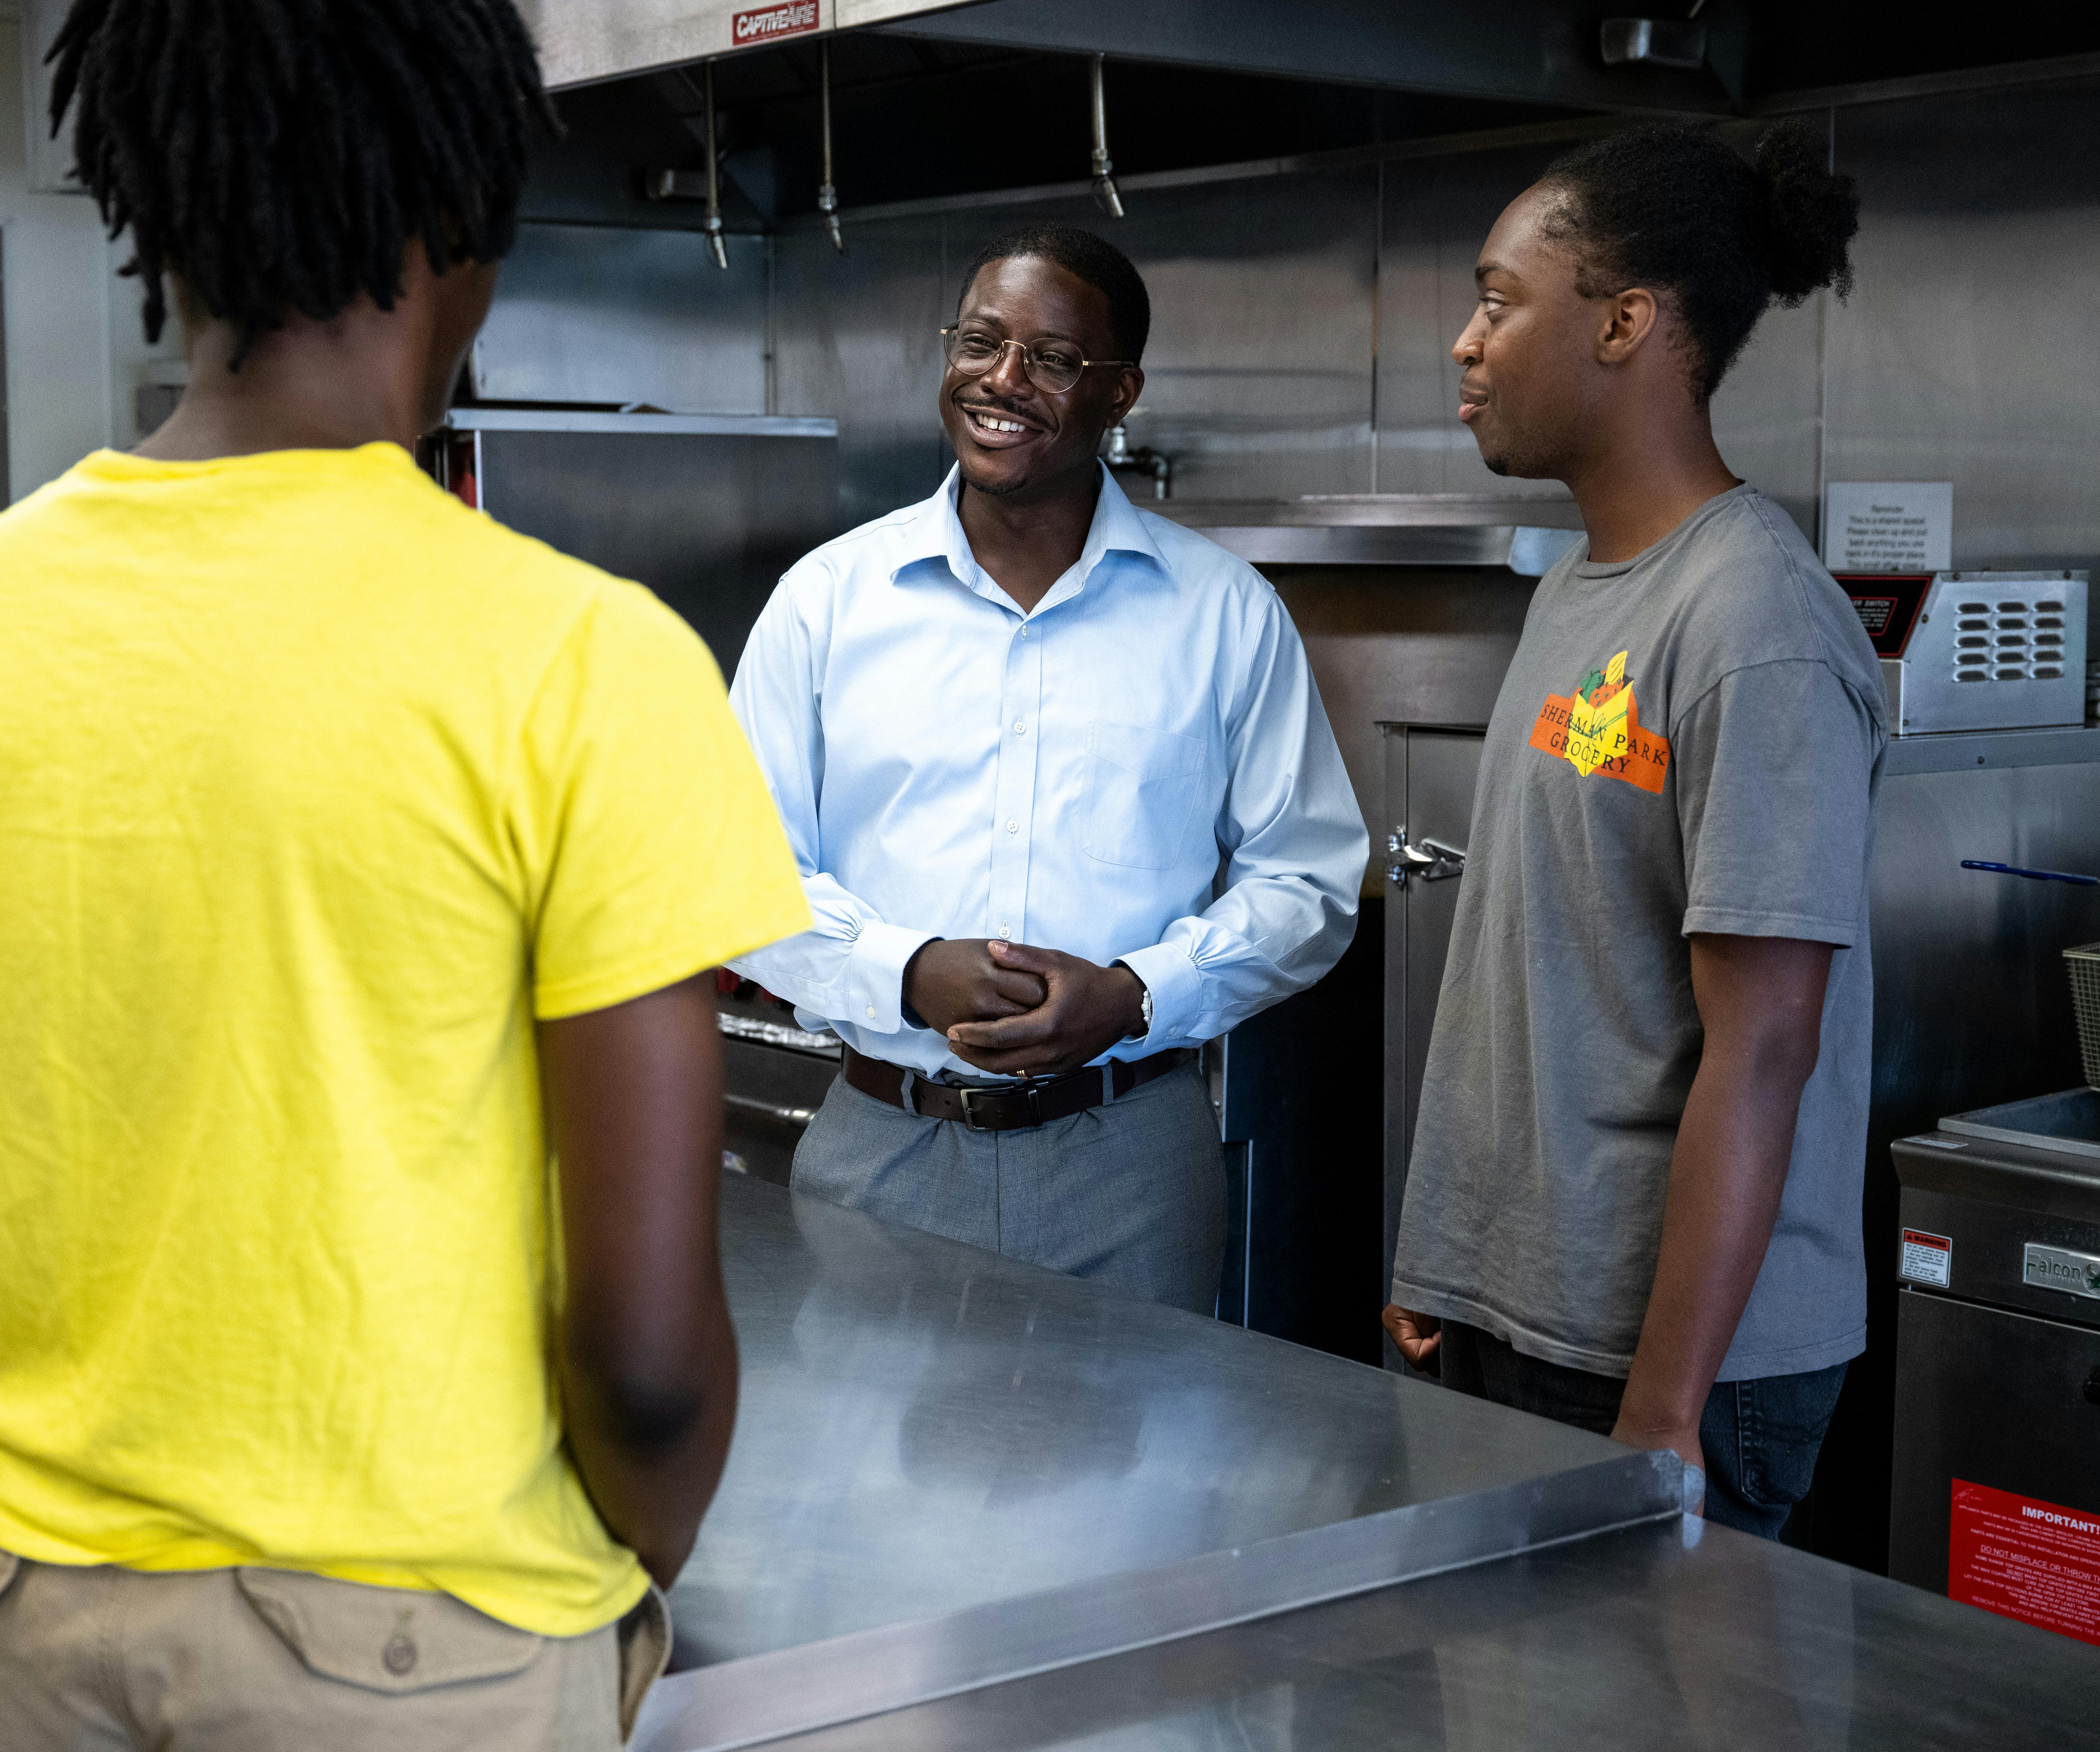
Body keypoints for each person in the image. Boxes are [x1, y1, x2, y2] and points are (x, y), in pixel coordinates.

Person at [0, 4, 810, 1747]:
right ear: (465, 226)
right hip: (423, 1640)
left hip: (34, 1610)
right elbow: (648, 1353)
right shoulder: (580, 658)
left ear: (156, 214)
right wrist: (607, 1592)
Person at [1382, 122, 1880, 1541]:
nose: (1465, 344)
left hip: (1665, 1358)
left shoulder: (1752, 623)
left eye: (1497, 298)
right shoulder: (1583, 587)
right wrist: (1449, 1257)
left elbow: (1764, 1044)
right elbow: (1533, 965)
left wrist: (1663, 1416)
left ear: (1622, 323)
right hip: (1524, 1307)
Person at [727, 224, 1367, 1313]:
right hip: (882, 1150)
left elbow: (1306, 885)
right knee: (864, 1485)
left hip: (1129, 1164)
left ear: (1122, 392)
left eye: (1053, 358)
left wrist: (1132, 996)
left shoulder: (1223, 613)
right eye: (979, 342)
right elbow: (728, 868)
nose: (1003, 380)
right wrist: (906, 968)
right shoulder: (827, 600)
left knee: (1139, 1479)